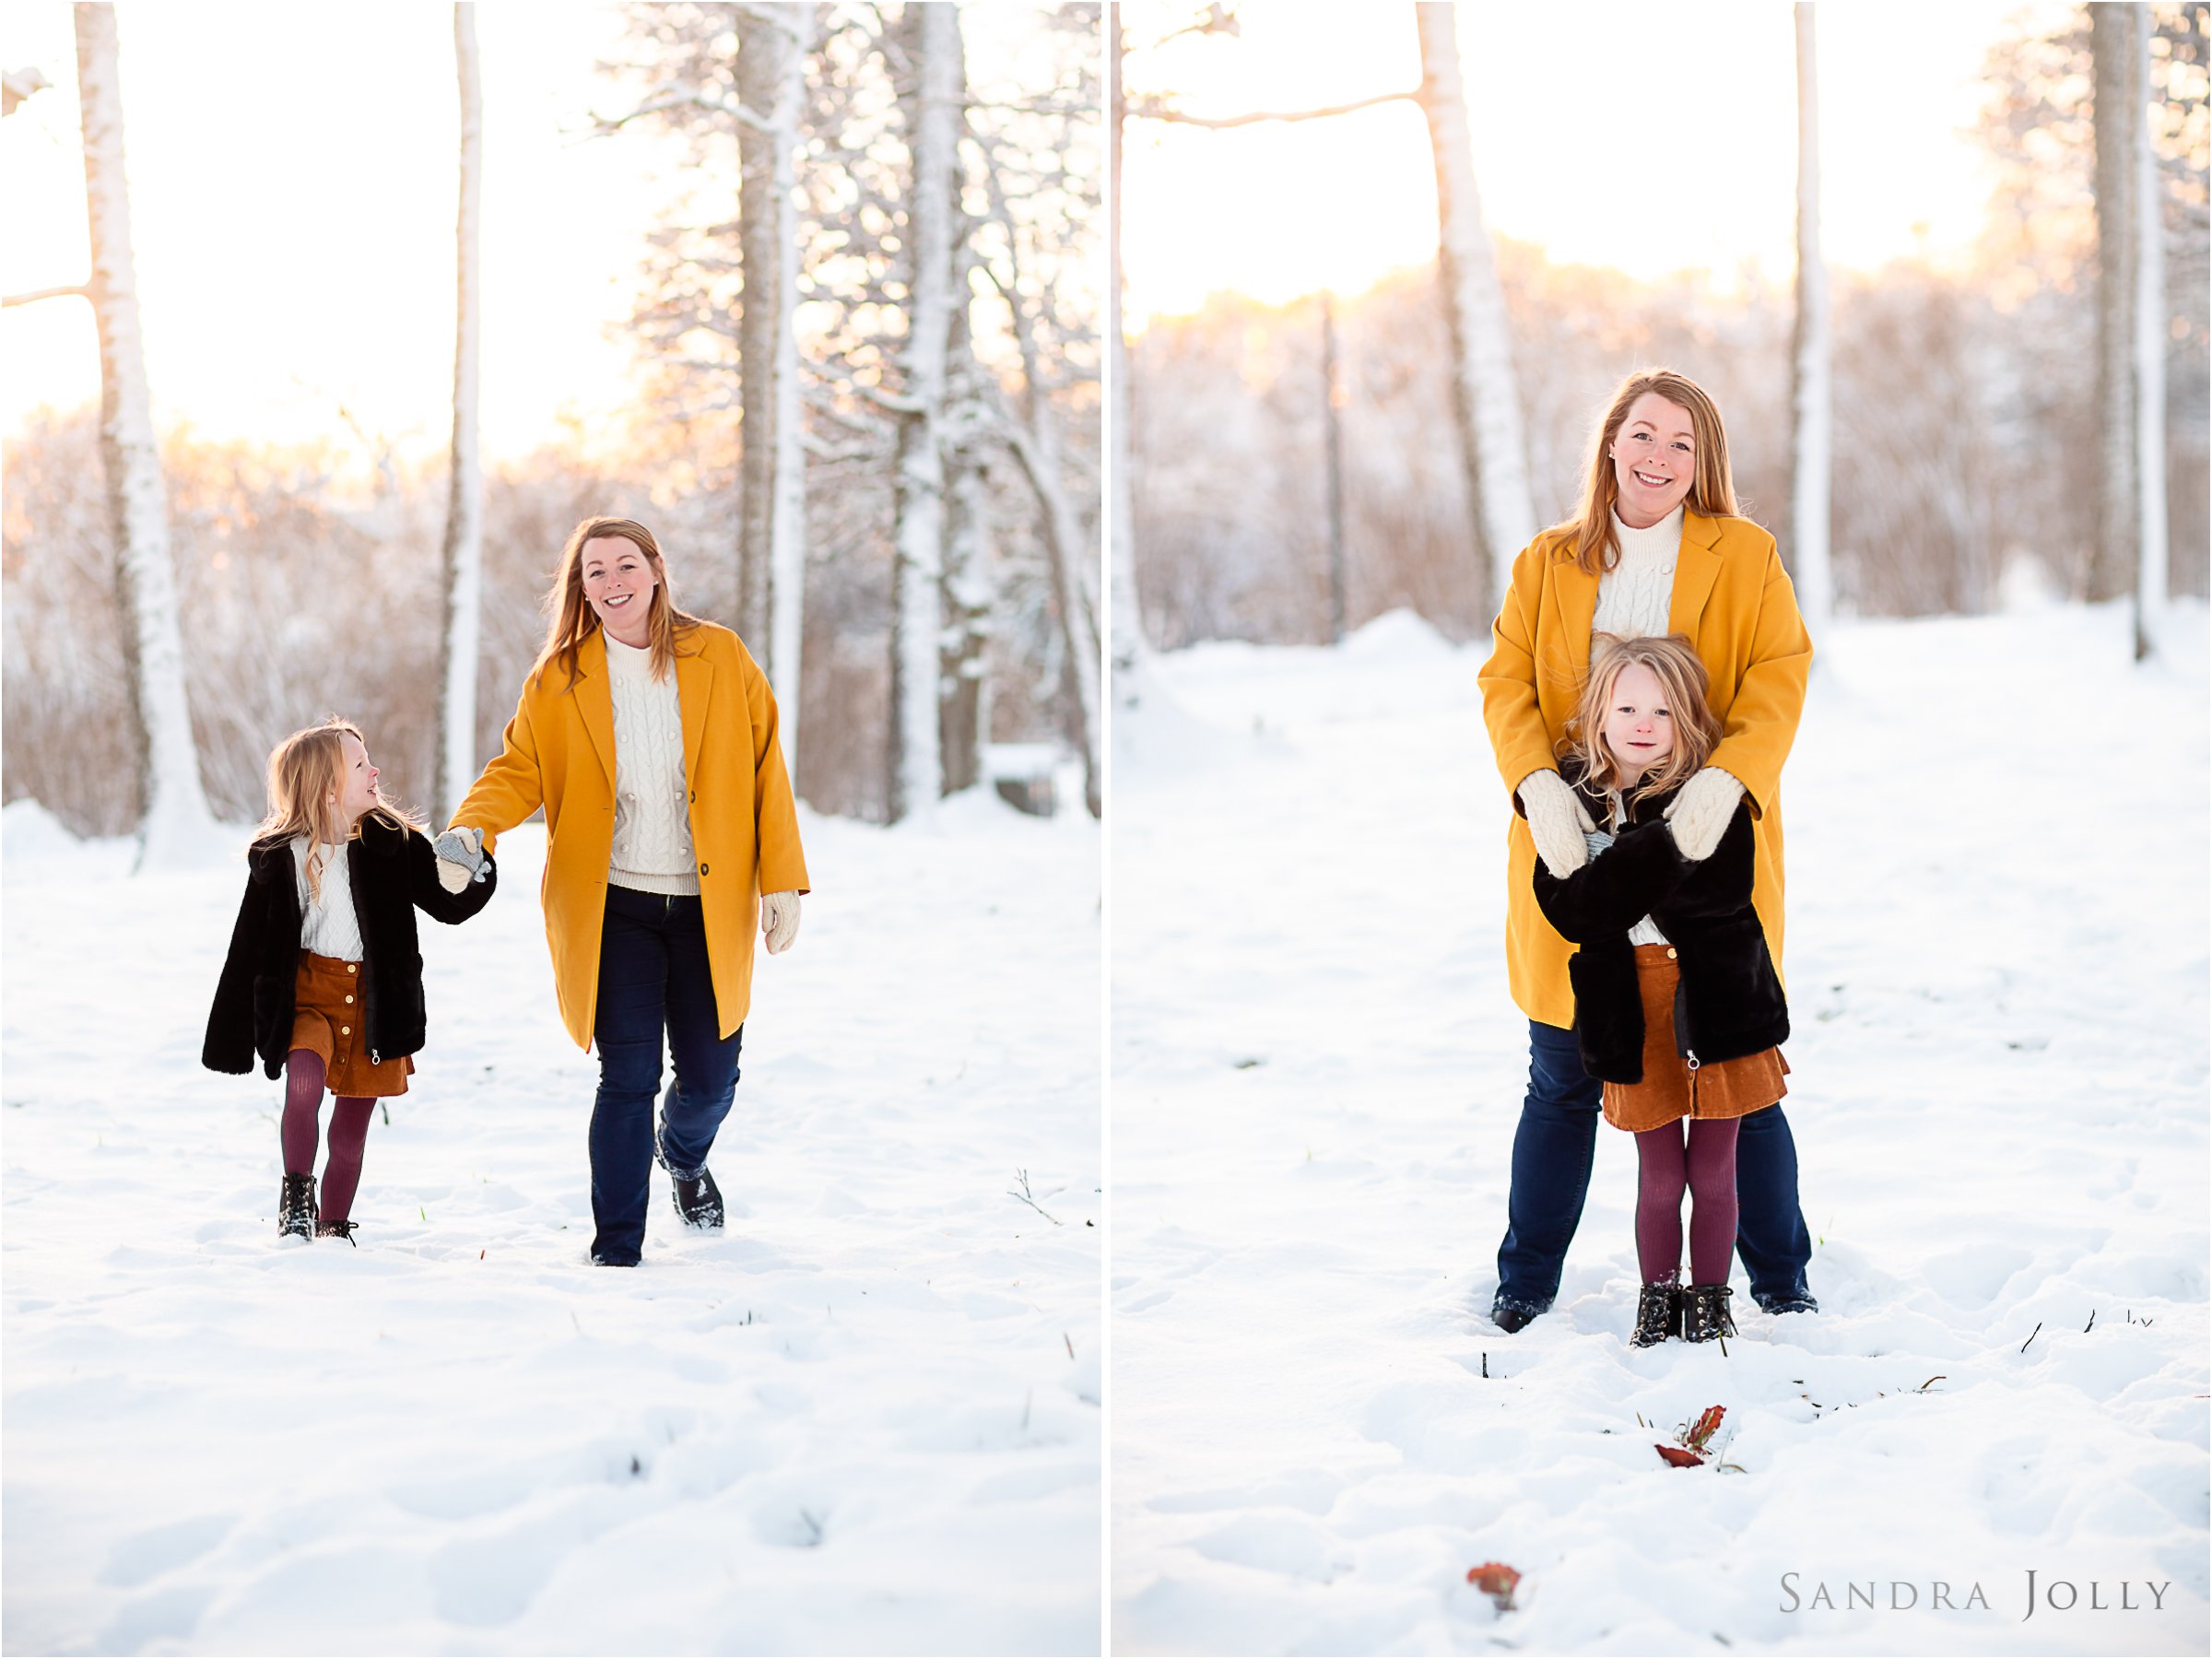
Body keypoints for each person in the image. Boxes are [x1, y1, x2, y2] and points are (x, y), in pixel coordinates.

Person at [1478, 367, 1816, 1332]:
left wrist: (1728, 779)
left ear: (1703, 461)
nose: (1660, 458)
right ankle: (1526, 1279)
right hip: (1577, 850)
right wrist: (1537, 784)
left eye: (1683, 443)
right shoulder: (1548, 561)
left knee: (1733, 1076)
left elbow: (1781, 673)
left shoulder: (1745, 555)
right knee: (1562, 1075)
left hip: (1707, 854)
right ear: (1610, 446)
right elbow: (1504, 682)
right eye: (1644, 436)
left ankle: (1782, 1277)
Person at [441, 516, 809, 1267]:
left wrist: (782, 879)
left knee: (710, 1078)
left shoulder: (720, 655)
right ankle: (616, 1250)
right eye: (595, 573)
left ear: (656, 570)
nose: (613, 583)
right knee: (627, 1075)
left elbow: (768, 765)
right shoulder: (561, 678)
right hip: (612, 906)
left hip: (709, 907)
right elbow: (519, 769)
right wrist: (470, 830)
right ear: (581, 590)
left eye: (625, 566)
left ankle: (683, 1155)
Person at [1530, 636, 1792, 1346]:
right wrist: (1664, 847)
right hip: (1632, 1010)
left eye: (1665, 712)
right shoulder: (1573, 804)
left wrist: (1607, 861)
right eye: (1627, 707)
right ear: (1599, 715)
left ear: (1688, 721)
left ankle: (1711, 1299)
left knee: (1713, 1173)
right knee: (1658, 1177)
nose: (1645, 724)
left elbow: (1712, 896)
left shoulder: (1714, 796)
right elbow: (1575, 912)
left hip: (1719, 1003)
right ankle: (1657, 1295)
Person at [204, 719, 497, 1242]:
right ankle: (296, 1196)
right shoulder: (282, 856)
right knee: (304, 1081)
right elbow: (247, 947)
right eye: (360, 764)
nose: (375, 769)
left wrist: (476, 869)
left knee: (351, 1129)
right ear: (327, 786)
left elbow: (448, 904)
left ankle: (333, 1226)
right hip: (308, 995)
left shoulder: (395, 843)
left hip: (374, 1003)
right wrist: (230, 1038)